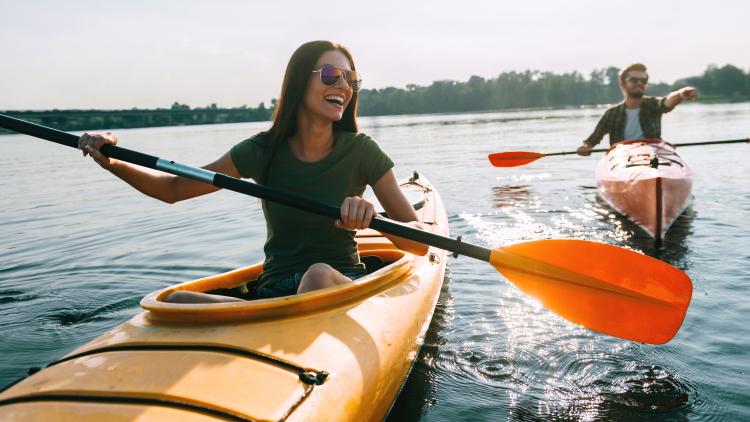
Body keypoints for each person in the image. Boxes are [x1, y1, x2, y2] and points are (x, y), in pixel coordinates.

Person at [77, 40, 428, 303]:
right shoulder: (261, 151)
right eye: (331, 74)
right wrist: (112, 160)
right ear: (298, 82)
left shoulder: (362, 151)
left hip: (336, 283)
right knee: (175, 300)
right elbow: (172, 188)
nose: (344, 86)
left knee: (317, 275)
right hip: (273, 292)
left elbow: (418, 243)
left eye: (351, 79)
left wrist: (371, 218)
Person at [576, 63, 699, 156]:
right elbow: (592, 141)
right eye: (634, 80)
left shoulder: (653, 104)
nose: (639, 83)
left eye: (643, 81)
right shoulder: (612, 114)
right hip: (622, 159)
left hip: (652, 156)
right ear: (623, 84)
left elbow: (666, 102)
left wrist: (681, 93)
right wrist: (585, 147)